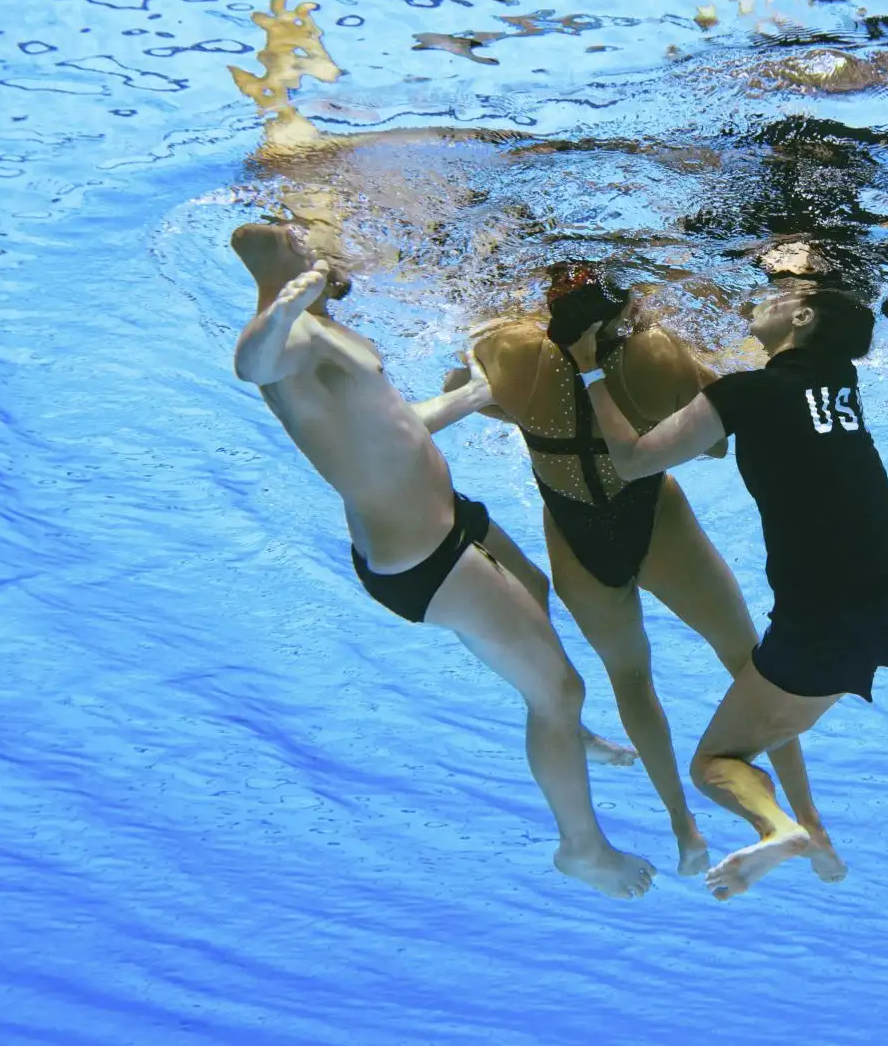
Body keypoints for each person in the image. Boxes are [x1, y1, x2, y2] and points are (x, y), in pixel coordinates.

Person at [565, 276, 888, 900]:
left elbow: (631, 460)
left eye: (777, 292)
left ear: (804, 317)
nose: (762, 296)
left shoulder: (747, 393)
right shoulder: (843, 388)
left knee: (713, 766)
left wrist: (588, 372)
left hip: (818, 636)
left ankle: (779, 828)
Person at [227, 222, 655, 899]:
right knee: (560, 690)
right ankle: (582, 848)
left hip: (447, 519)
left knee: (535, 588)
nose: (310, 241)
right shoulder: (289, 336)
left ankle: (567, 731)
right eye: (296, 238)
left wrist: (473, 395)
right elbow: (250, 365)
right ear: (279, 256)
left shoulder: (320, 326)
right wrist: (281, 304)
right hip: (425, 559)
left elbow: (393, 423)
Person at [454, 263, 846, 880]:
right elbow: (717, 442)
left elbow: (467, 392)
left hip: (576, 534)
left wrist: (532, 415)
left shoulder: (512, 349)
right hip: (655, 516)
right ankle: (802, 816)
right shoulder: (655, 353)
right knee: (749, 658)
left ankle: (683, 828)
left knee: (630, 680)